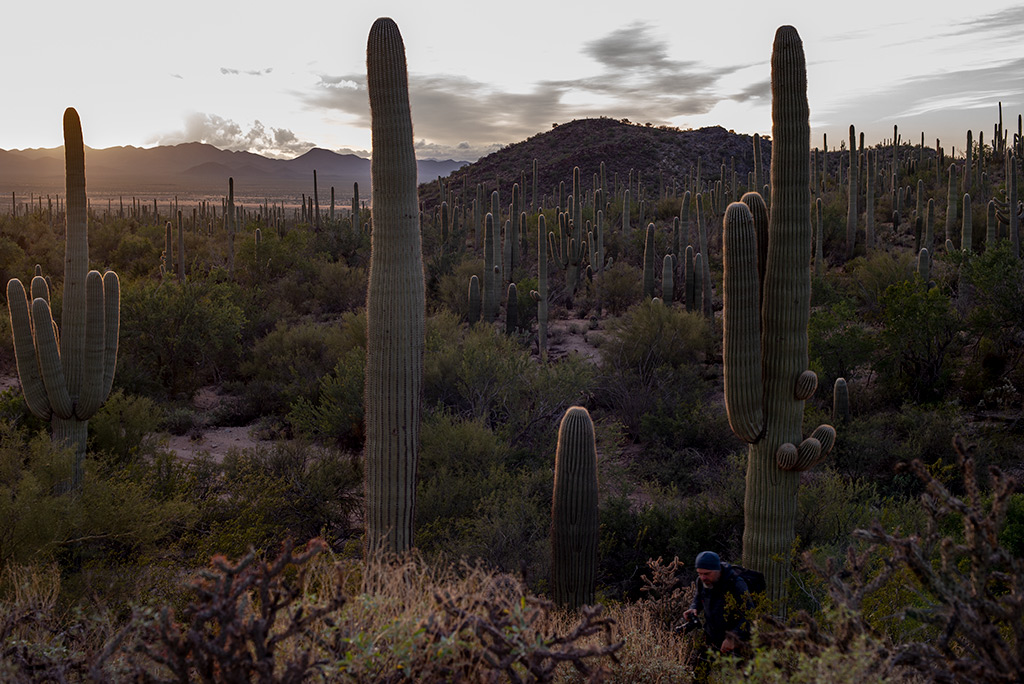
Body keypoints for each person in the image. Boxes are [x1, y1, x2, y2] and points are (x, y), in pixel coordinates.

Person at [681, 551, 753, 654]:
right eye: (699, 573)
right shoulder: (701, 581)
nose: (703, 577)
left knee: (732, 669)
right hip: (711, 637)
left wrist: (733, 638)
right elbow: (698, 597)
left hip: (735, 644)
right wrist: (694, 607)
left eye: (706, 573)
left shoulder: (736, 584)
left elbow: (750, 614)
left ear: (717, 570)